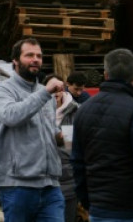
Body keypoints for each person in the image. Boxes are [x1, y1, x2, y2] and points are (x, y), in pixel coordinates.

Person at [72, 48, 133, 222]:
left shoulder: (84, 110)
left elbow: (77, 162)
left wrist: (88, 202)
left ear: (105, 75)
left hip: (98, 208)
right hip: (132, 210)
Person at [0, 37, 65, 222]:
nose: (35, 60)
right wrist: (45, 93)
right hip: (18, 186)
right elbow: (11, 116)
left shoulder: (46, 94)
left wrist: (66, 136)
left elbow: (51, 131)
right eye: (29, 55)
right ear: (15, 60)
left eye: (39, 56)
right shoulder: (2, 90)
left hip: (50, 186)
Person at [48, 74, 80, 222]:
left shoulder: (77, 111)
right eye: (52, 89)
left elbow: (75, 147)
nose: (56, 93)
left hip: (69, 180)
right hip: (44, 182)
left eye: (59, 89)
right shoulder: (35, 113)